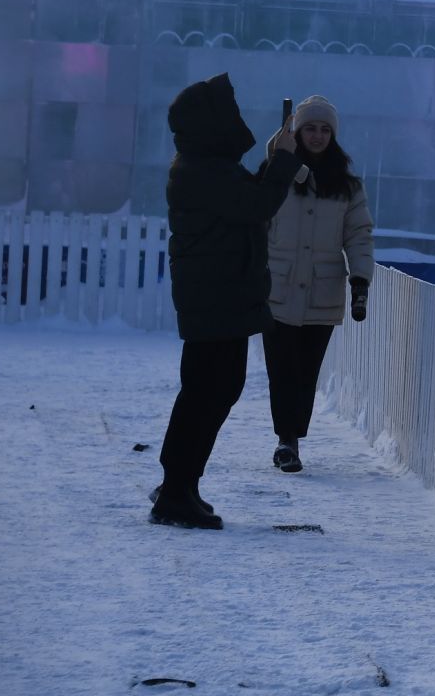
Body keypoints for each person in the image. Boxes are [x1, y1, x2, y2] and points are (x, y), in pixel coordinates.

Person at [152, 74, 303, 530]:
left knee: (210, 390)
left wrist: (276, 160)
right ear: (211, 122)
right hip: (216, 297)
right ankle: (177, 490)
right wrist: (283, 163)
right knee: (208, 392)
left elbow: (245, 201)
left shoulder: (205, 164)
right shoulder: (199, 169)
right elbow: (255, 206)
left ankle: (180, 485)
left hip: (221, 296)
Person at [261, 95, 375, 474]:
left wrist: (360, 281)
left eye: (325, 129)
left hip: (322, 291)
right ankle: (286, 441)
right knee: (281, 368)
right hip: (276, 288)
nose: (317, 135)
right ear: (296, 131)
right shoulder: (274, 173)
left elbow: (358, 234)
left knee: (306, 371)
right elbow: (255, 221)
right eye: (310, 127)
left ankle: (293, 435)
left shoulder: (346, 185)